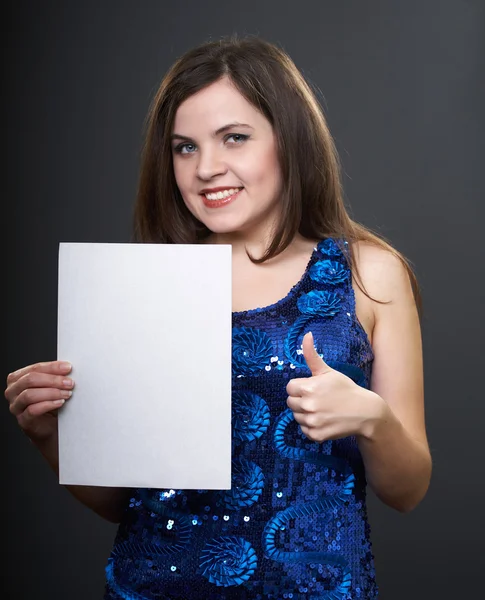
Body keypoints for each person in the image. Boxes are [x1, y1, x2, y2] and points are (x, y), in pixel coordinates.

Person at [5, 34, 431, 599]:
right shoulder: (145, 283)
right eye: (185, 147)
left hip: (315, 587)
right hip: (151, 585)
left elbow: (408, 489)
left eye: (234, 138)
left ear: (290, 140)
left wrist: (371, 419)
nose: (206, 168)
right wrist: (50, 437)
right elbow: (119, 502)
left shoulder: (368, 274)